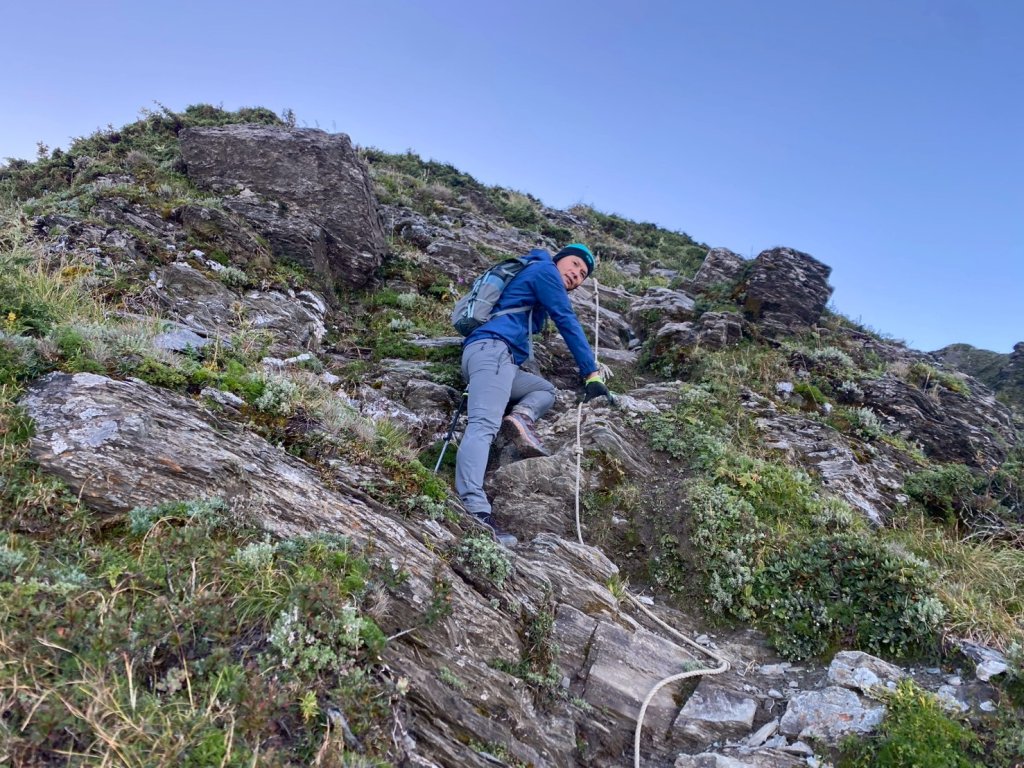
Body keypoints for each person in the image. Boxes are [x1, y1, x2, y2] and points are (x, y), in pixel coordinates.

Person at [455, 243, 611, 546]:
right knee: (483, 426)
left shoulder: (536, 276)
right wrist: (591, 374)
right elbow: (566, 319)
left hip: (501, 361)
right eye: (575, 265)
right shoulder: (544, 271)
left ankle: (521, 418)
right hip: (493, 352)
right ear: (559, 260)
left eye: (582, 275)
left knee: (544, 390)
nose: (577, 275)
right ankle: (474, 510)